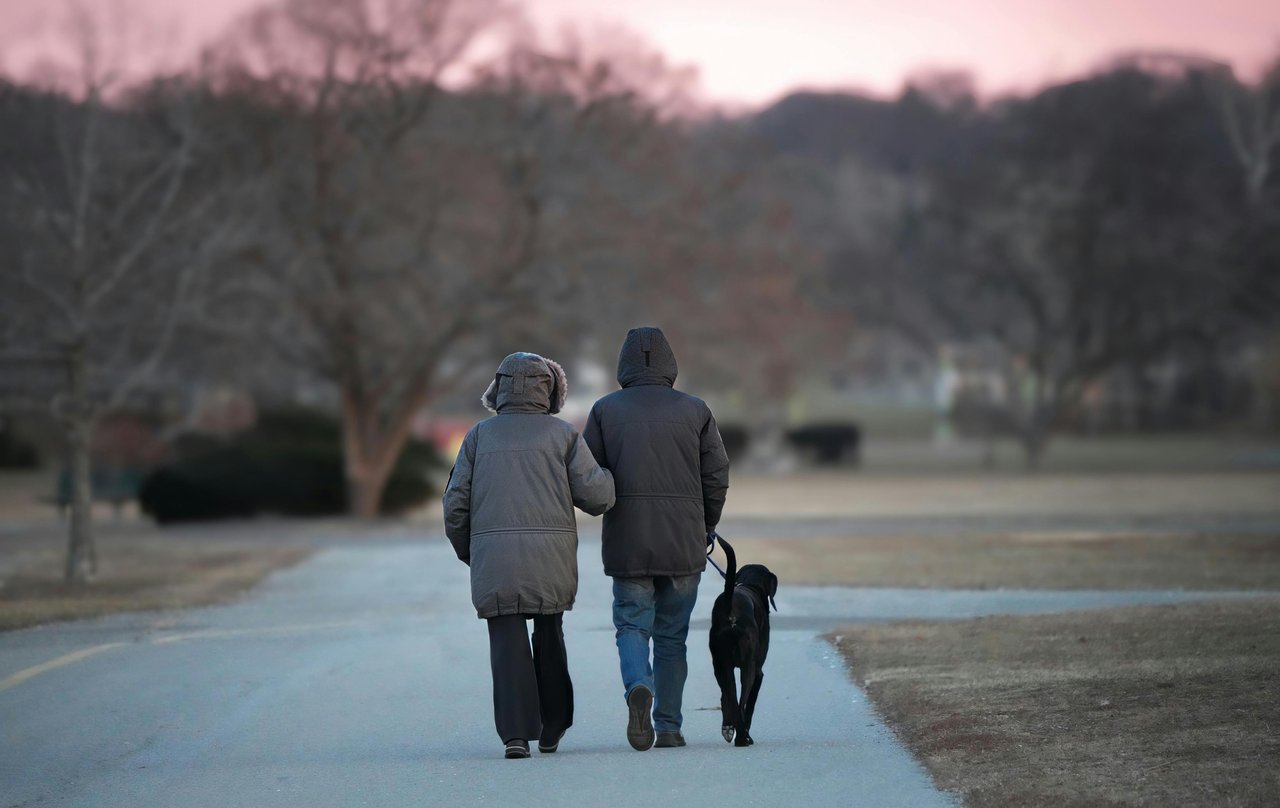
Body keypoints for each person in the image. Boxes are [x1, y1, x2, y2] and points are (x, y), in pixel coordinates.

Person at [443, 352, 615, 760]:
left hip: (495, 559)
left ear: (498, 387)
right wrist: (611, 474)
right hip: (550, 558)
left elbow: (454, 505)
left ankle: (516, 736)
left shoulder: (478, 437)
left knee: (507, 643)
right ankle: (553, 727)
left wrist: (473, 552)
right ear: (549, 389)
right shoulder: (563, 436)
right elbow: (599, 497)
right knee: (549, 634)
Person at [584, 327, 730, 750]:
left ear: (623, 365)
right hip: (683, 539)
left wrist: (605, 507)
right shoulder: (696, 410)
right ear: (669, 364)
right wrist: (707, 522)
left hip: (628, 538)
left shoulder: (604, 411)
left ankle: (636, 686)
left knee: (631, 623)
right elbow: (717, 474)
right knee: (672, 637)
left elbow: (589, 475)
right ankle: (668, 726)